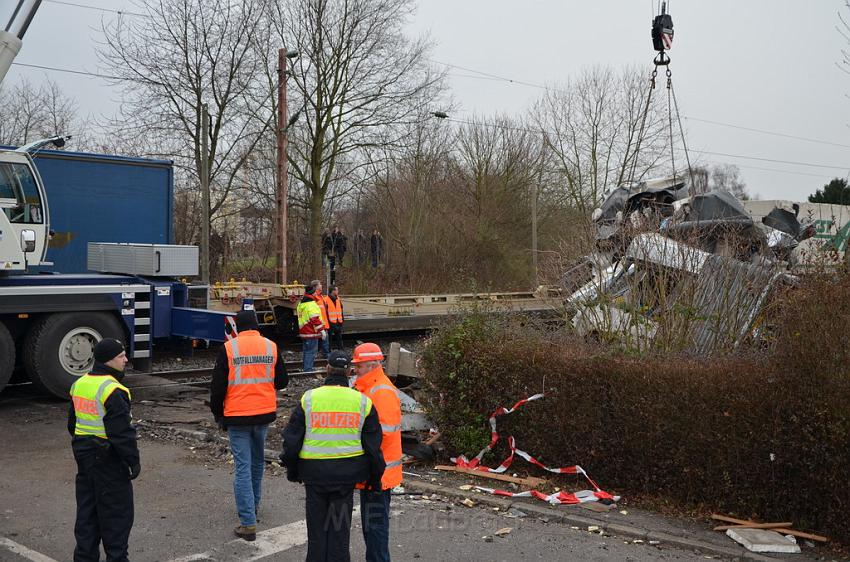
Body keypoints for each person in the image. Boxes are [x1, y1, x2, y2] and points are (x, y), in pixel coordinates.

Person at [280, 351, 385, 562]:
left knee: (317, 533)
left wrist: (293, 471)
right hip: (346, 478)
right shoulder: (362, 402)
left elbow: (292, 442)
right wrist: (375, 480)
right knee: (339, 532)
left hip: (314, 475)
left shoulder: (309, 399)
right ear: (349, 372)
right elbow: (373, 448)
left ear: (327, 369)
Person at [209, 310, 288, 541]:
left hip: (237, 417)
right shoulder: (270, 346)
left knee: (243, 467)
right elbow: (282, 381)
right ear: (256, 326)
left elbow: (217, 388)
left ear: (238, 327)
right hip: (263, 415)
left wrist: (218, 414)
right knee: (256, 464)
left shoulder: (229, 348)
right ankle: (253, 507)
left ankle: (247, 522)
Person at [68, 338, 139, 562]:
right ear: (109, 360)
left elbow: (72, 424)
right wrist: (133, 461)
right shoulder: (113, 390)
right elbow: (121, 433)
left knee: (87, 514)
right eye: (121, 356)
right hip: (108, 459)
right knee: (116, 516)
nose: (126, 359)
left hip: (84, 455)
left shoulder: (80, 384)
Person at [350, 343, 402, 562]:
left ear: (372, 365)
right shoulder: (370, 388)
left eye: (359, 366)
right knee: (372, 529)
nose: (355, 370)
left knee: (376, 530)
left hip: (378, 474)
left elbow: (384, 433)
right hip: (375, 471)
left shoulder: (380, 391)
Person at [298, 285, 326, 372]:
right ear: (312, 293)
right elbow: (315, 319)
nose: (316, 294)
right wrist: (322, 330)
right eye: (314, 292)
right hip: (311, 331)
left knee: (306, 351)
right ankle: (308, 369)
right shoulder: (311, 304)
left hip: (304, 331)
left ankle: (306, 368)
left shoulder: (301, 303)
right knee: (311, 351)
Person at [311, 280, 331, 359]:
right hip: (317, 324)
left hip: (323, 324)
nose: (321, 285)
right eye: (320, 284)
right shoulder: (314, 297)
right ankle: (315, 357)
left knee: (325, 342)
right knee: (316, 343)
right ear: (315, 287)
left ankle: (326, 355)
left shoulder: (321, 297)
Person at [324, 285, 344, 351]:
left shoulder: (338, 298)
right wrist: (328, 322)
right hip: (330, 323)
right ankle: (328, 351)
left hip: (338, 322)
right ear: (333, 291)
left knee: (339, 338)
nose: (338, 291)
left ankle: (341, 350)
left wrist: (342, 320)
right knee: (329, 339)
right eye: (337, 290)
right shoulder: (326, 300)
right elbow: (325, 312)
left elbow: (341, 309)